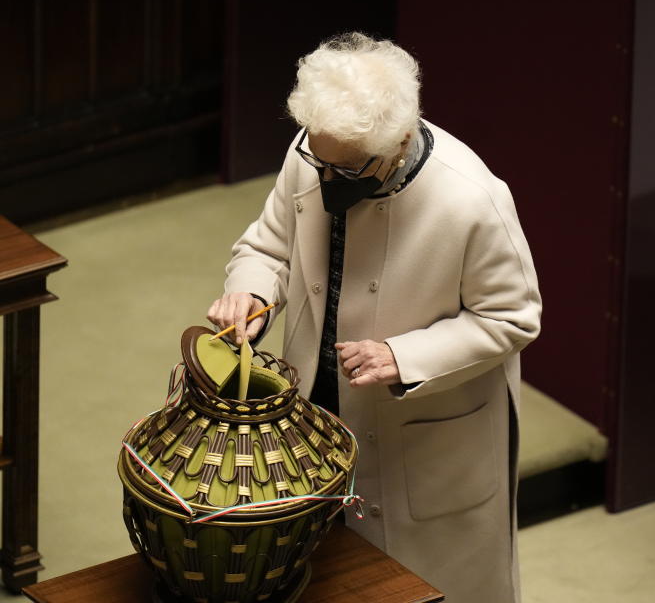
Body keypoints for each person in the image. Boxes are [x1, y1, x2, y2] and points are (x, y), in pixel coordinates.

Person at [207, 32, 541, 603]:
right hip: (319, 408)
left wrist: (404, 356)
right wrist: (252, 294)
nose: (328, 180)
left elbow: (513, 317)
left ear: (401, 139)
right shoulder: (316, 148)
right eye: (322, 163)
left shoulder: (470, 199)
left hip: (427, 434)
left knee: (429, 588)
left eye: (349, 170)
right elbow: (266, 249)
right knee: (320, 579)